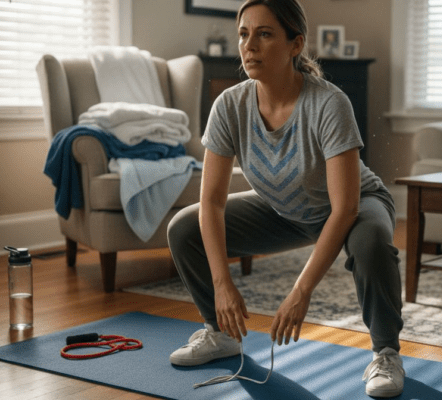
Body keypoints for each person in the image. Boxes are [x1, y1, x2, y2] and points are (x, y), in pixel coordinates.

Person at [167, 0, 405, 397]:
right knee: (185, 227)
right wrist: (222, 283)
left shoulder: (329, 104)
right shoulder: (229, 106)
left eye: (264, 34)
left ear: (296, 45)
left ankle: (386, 354)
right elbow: (212, 202)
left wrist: (301, 291)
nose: (249, 45)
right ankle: (221, 334)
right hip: (284, 208)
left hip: (354, 203)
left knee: (370, 243)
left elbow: (344, 208)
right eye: (244, 34)